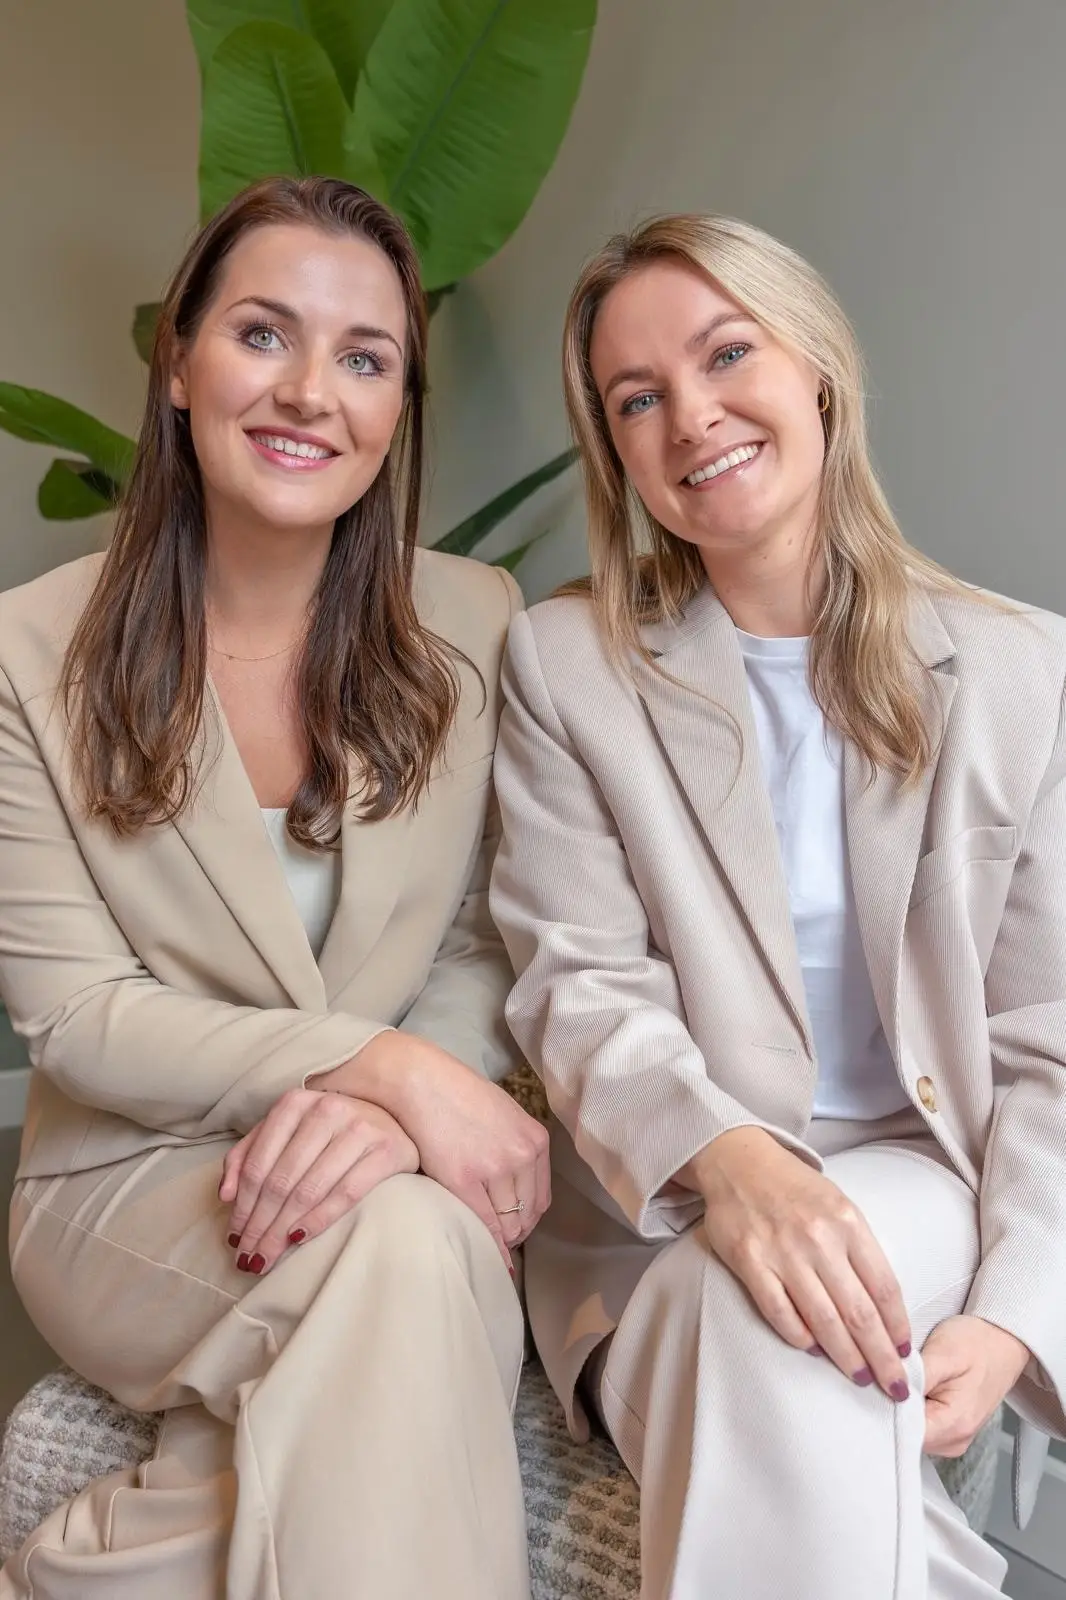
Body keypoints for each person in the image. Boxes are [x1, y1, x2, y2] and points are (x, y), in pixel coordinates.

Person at [489, 213, 1066, 1599]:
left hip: (918, 1184)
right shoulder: (567, 664)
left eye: (724, 353)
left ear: (814, 368)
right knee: (745, 1308)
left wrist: (1012, 1316)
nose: (691, 416)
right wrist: (734, 1169)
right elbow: (576, 986)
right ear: (616, 448)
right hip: (652, 1219)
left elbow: (1048, 1037)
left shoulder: (1014, 670)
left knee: (788, 1295)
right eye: (637, 400)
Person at [0, 175, 549, 1600]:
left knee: (403, 1253)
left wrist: (398, 1094)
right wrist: (383, 1072)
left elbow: (491, 932)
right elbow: (79, 1017)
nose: (312, 393)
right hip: (126, 1180)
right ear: (176, 359)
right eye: (262, 335)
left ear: (397, 407)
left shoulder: (472, 623)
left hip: (393, 1174)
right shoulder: (21, 655)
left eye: (364, 359)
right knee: (415, 1255)